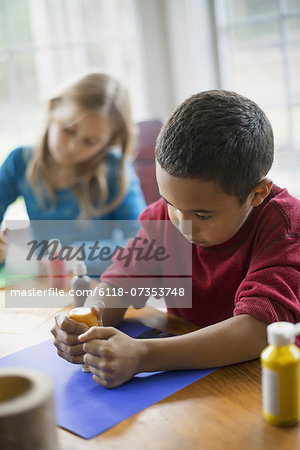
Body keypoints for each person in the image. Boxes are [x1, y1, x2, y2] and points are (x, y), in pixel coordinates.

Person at [51, 90, 300, 388]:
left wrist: (142, 355)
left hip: (265, 382)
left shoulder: (284, 228)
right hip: (192, 378)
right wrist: (87, 320)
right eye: (169, 201)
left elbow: (256, 331)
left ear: (257, 194)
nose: (182, 225)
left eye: (202, 215)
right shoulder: (163, 218)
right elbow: (118, 285)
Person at [0, 70, 146, 271]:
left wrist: (71, 257)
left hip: (104, 287)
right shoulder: (20, 161)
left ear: (109, 142)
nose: (73, 147)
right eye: (68, 130)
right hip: (48, 287)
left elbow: (140, 244)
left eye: (90, 141)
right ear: (53, 109)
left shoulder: (115, 171)